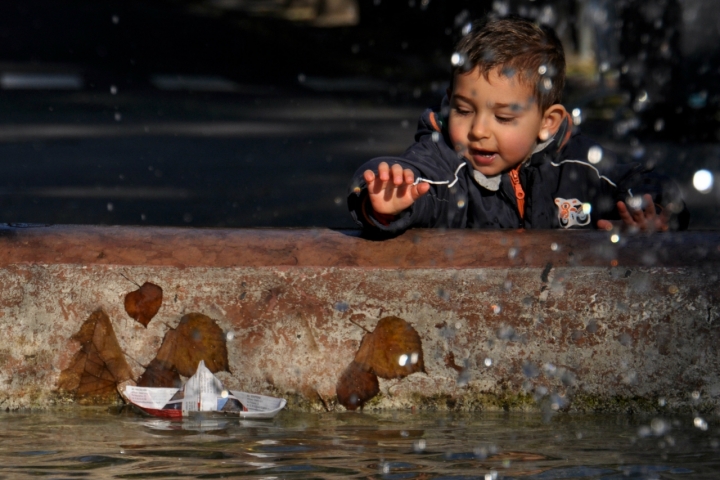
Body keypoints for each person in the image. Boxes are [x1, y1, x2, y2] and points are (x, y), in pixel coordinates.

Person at [347, 15, 688, 236]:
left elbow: (643, 181)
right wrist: (385, 200)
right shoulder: (446, 161)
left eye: (504, 117)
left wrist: (654, 212)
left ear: (547, 122)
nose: (478, 131)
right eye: (464, 110)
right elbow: (411, 175)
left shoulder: (577, 164)